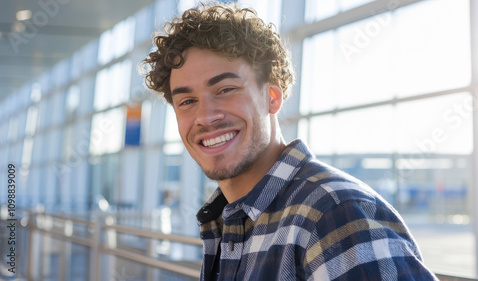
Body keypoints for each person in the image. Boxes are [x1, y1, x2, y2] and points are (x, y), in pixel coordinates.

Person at [142, 2, 438, 280]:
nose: (205, 117)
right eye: (187, 101)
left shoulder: (331, 214)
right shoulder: (231, 220)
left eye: (225, 89)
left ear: (272, 97)